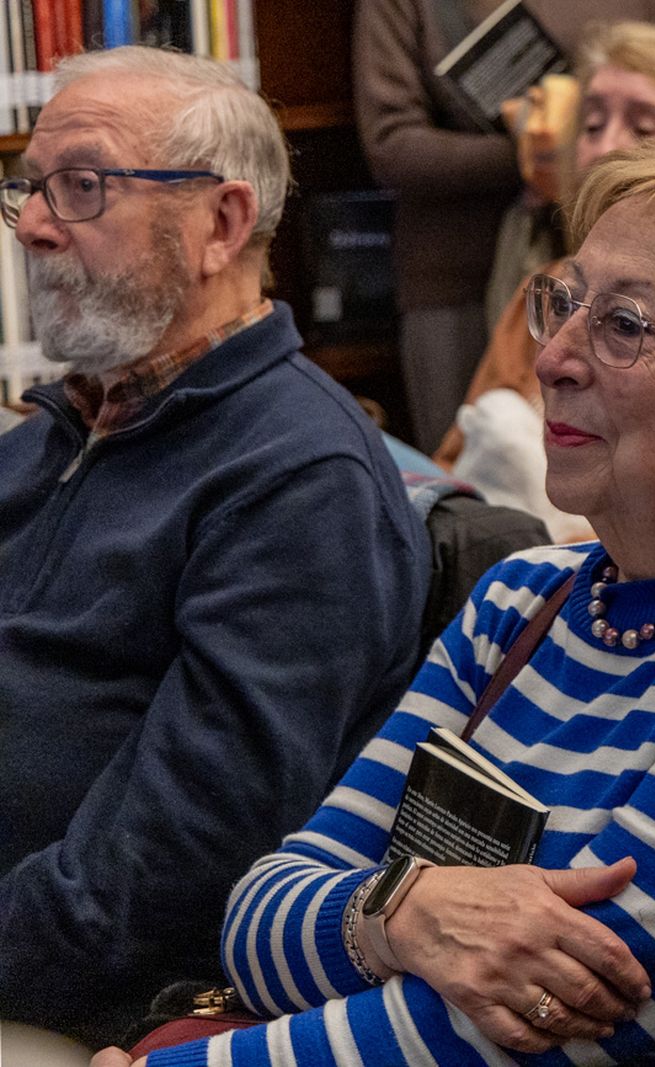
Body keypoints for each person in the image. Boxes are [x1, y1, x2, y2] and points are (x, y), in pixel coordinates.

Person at [103, 109, 655, 1067]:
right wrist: (407, 918)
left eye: (623, 324)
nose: (552, 359)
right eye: (565, 302)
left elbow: (534, 1037)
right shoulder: (523, 598)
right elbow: (258, 914)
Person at [0, 47, 431, 1047]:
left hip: (91, 993)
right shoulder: (57, 432)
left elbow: (162, 868)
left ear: (223, 224)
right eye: (28, 189)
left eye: (82, 186)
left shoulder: (300, 480)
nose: (32, 224)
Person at [353, 0, 655, 452]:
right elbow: (390, 143)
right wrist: (533, 158)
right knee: (480, 460)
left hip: (640, 261)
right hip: (456, 272)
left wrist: (585, 146)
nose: (609, 141)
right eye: (594, 126)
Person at [431, 18, 655, 469]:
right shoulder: (547, 290)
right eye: (591, 125)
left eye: (644, 129)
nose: (605, 150)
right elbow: (458, 467)